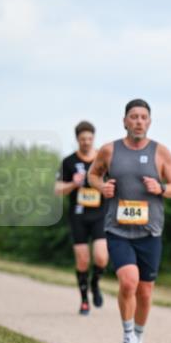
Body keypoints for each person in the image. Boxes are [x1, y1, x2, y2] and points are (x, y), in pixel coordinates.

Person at [88, 99, 171, 343]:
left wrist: (161, 189)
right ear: (124, 121)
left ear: (149, 122)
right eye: (133, 116)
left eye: (143, 117)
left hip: (150, 231)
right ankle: (127, 338)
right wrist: (101, 187)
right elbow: (93, 175)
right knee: (129, 282)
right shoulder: (109, 150)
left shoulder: (160, 152)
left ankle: (139, 341)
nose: (138, 121)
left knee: (145, 291)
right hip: (117, 229)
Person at [55, 121, 109, 315]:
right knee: (83, 259)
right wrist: (72, 184)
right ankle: (84, 300)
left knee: (102, 257)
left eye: (89, 138)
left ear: (93, 138)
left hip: (100, 214)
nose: (86, 142)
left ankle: (95, 283)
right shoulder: (68, 162)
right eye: (82, 139)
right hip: (78, 216)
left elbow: (113, 184)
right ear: (77, 139)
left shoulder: (103, 161)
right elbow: (57, 189)